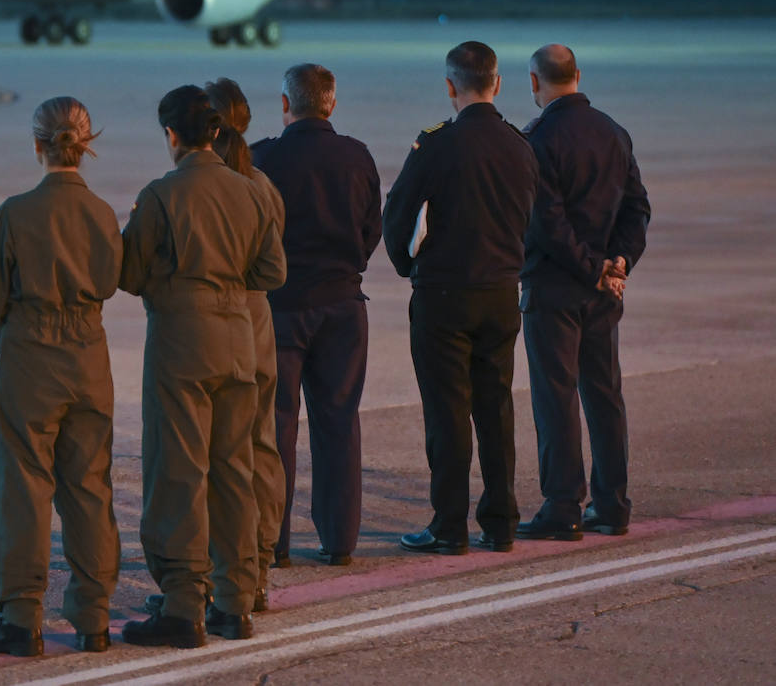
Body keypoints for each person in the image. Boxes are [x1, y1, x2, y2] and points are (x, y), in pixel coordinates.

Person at [119, 85, 286, 648]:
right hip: (239, 341)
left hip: (181, 344)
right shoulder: (252, 190)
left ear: (171, 136)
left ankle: (184, 601)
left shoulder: (161, 194)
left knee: (178, 472)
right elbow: (272, 271)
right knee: (234, 471)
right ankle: (236, 601)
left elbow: (129, 272)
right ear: (215, 133)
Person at [0, 97, 123, 657]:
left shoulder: (16, 212)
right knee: (88, 486)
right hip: (88, 352)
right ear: (85, 147)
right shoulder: (104, 213)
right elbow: (113, 278)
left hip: (30, 353)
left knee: (22, 485)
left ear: (38, 145)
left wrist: (17, 340)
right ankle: (94, 617)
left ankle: (21, 616)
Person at [383, 41, 538, 556]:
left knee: (447, 413)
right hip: (499, 293)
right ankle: (501, 522)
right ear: (497, 84)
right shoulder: (520, 144)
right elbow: (534, 219)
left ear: (451, 87)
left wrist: (409, 267)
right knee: (496, 410)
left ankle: (449, 526)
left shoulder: (437, 144)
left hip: (445, 295)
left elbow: (398, 212)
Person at [517, 44, 650, 541]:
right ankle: (613, 504)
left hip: (555, 286)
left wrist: (593, 267)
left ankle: (562, 505)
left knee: (556, 396)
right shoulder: (614, 132)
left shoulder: (538, 139)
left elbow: (546, 223)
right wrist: (619, 262)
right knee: (604, 393)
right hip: (603, 288)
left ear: (535, 82)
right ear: (578, 75)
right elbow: (637, 208)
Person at [250, 64, 381, 567]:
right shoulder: (357, 155)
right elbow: (375, 226)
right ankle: (339, 540)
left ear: (286, 104)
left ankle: (274, 542)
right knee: (339, 422)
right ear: (330, 104)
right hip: (344, 306)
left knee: (278, 425)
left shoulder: (264, 159)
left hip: (281, 307)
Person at [202, 78, 286, 605]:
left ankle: (216, 572)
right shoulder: (262, 186)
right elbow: (273, 265)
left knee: (208, 453)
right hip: (258, 319)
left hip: (214, 318)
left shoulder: (199, 186)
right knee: (259, 444)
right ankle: (255, 565)